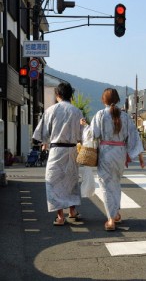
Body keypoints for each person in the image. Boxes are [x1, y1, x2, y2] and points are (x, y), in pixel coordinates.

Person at [80, 88, 145, 231]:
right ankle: (116, 214)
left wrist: (85, 126)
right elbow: (134, 136)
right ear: (117, 100)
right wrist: (140, 156)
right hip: (120, 154)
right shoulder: (126, 117)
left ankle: (110, 219)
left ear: (104, 100)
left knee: (106, 186)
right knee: (115, 183)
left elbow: (93, 134)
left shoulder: (100, 114)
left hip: (106, 154)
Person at [32, 82, 84, 226]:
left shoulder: (51, 110)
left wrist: (42, 142)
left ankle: (60, 216)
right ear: (70, 95)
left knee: (54, 182)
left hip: (56, 150)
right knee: (71, 181)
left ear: (58, 94)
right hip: (72, 150)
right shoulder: (77, 111)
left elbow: (42, 133)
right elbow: (82, 135)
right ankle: (72, 212)